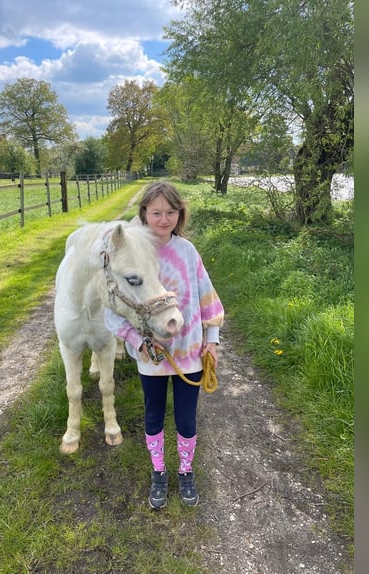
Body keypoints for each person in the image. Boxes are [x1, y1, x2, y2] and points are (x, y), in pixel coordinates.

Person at [104, 181, 224, 509]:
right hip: (151, 355)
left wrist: (211, 341)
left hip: (190, 354)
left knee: (186, 418)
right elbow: (111, 308)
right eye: (155, 212)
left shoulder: (187, 251)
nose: (163, 219)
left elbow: (207, 298)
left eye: (171, 212)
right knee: (153, 414)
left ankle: (185, 471)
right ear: (143, 213)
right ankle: (159, 471)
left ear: (179, 214)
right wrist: (134, 340)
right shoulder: (130, 254)